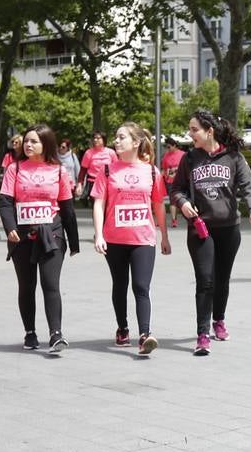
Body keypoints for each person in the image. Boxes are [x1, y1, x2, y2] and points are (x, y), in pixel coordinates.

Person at [169, 110, 251, 356]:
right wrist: (182, 203)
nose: (190, 134)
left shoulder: (233, 157)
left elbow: (247, 186)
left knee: (222, 280)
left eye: (194, 130)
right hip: (201, 229)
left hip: (229, 229)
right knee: (205, 281)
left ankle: (218, 320)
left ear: (209, 131)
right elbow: (176, 189)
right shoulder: (189, 159)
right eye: (189, 129)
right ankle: (202, 334)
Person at [0, 124, 80, 352]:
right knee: (26, 286)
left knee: (50, 283)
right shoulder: (14, 168)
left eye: (34, 141)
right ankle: (30, 333)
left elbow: (67, 208)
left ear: (46, 144)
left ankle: (56, 334)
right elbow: (5, 201)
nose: (28, 144)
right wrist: (10, 227)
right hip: (22, 234)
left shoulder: (59, 170)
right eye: (26, 141)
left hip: (51, 233)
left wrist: (73, 242)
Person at [91, 123, 171, 356]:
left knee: (141, 286)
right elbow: (98, 203)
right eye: (115, 137)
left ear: (136, 143)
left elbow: (158, 205)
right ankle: (123, 328)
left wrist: (164, 235)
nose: (116, 141)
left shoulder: (152, 172)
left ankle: (145, 334)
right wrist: (99, 234)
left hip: (143, 238)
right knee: (120, 284)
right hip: (115, 238)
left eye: (121, 137)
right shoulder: (107, 170)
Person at [79, 131, 114, 200]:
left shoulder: (111, 152)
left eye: (98, 138)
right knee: (96, 204)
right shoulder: (88, 153)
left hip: (107, 182)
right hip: (93, 182)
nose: (95, 140)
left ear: (104, 140)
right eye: (94, 138)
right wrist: (80, 184)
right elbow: (83, 170)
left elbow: (116, 169)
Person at [160, 136, 185, 228]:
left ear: (174, 146)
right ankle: (174, 220)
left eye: (169, 147)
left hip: (182, 180)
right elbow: (164, 168)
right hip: (170, 181)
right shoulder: (166, 156)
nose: (168, 149)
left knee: (183, 199)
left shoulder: (182, 154)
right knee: (173, 201)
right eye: (167, 147)